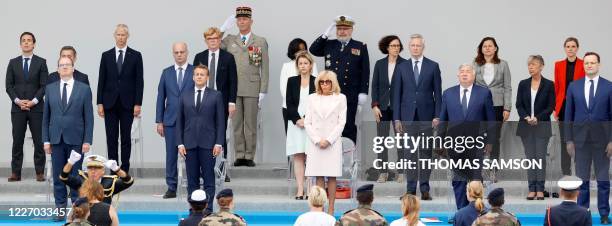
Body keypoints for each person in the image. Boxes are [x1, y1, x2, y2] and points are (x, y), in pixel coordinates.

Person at [564, 52, 612, 224]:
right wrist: (569, 140)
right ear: (583, 65)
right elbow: (568, 114)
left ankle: (604, 214)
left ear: (599, 65)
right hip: (580, 141)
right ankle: (583, 213)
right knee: (581, 180)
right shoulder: (574, 86)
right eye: (587, 63)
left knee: (603, 180)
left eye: (593, 63)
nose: (589, 65)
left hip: (603, 142)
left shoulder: (609, 86)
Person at [438, 64, 495, 210]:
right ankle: (461, 212)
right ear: (458, 75)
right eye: (462, 71)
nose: (464, 74)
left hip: (476, 143)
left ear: (474, 75)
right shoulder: (448, 93)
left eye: (468, 71)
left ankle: (476, 211)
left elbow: (491, 120)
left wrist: (490, 141)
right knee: (458, 180)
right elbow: (443, 120)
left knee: (475, 179)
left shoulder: (484, 93)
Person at [392, 34, 442, 200]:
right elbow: (396, 95)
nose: (415, 48)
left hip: (427, 117)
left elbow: (438, 94)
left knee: (426, 154)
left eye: (418, 45)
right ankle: (410, 189)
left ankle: (425, 188)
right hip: (408, 117)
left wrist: (437, 115)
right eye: (412, 45)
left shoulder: (433, 66)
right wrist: (397, 119)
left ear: (423, 47)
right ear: (409, 47)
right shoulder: (401, 67)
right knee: (410, 154)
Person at [43, 56, 94, 217]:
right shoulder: (50, 88)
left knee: (75, 177)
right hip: (56, 139)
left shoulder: (84, 89)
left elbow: (89, 117)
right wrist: (46, 140)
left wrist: (87, 140)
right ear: (57, 69)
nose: (64, 67)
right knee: (59, 176)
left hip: (77, 140)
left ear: (73, 68)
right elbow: (46, 117)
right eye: (61, 65)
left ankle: (78, 209)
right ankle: (60, 208)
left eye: (67, 65)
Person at [219, 6, 269, 167]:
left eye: (245, 19)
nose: (242, 22)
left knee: (250, 124)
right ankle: (239, 154)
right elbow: (214, 43)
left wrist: (263, 90)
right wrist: (222, 29)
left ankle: (249, 155)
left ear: (251, 21)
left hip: (252, 87)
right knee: (236, 123)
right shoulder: (229, 40)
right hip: (233, 89)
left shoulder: (259, 41)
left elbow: (264, 67)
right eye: (239, 19)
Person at [309, 15, 369, 144]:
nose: (342, 31)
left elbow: (365, 71)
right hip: (330, 93)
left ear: (351, 30)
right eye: (339, 28)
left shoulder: (359, 46)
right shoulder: (329, 44)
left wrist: (363, 92)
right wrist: (326, 34)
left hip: (350, 94)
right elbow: (313, 50)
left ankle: (349, 158)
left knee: (348, 126)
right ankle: (332, 157)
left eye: (345, 28)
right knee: (330, 125)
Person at [176, 64, 225, 214]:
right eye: (196, 74)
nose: (199, 77)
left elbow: (220, 121)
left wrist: (219, 142)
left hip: (209, 144)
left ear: (207, 77)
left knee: (209, 179)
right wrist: (179, 143)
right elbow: (180, 121)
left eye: (202, 74)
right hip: (189, 143)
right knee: (192, 180)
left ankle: (208, 209)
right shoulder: (184, 95)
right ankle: (194, 210)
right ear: (193, 77)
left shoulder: (216, 95)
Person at [97, 24, 144, 173]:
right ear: (114, 36)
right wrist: (99, 102)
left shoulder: (136, 55)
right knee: (111, 138)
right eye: (118, 34)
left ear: (127, 36)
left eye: (123, 35)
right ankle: (113, 169)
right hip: (109, 102)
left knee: (125, 138)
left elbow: (139, 81)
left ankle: (124, 169)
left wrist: (138, 103)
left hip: (128, 103)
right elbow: (101, 80)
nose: (121, 37)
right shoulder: (106, 55)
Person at [193, 27, 238, 173]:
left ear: (219, 40)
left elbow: (233, 81)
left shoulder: (228, 57)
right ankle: (203, 169)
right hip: (203, 101)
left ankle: (222, 170)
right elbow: (194, 80)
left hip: (221, 101)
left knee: (220, 133)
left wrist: (231, 103)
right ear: (206, 41)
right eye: (210, 39)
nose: (213, 41)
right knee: (202, 133)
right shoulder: (199, 57)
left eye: (215, 39)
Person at [5, 31, 48, 182]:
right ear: (20, 44)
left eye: (29, 40)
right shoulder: (13, 62)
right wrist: (18, 101)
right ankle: (16, 173)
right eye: (24, 40)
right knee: (17, 141)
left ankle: (40, 172)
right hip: (18, 109)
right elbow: (8, 86)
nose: (26, 42)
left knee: (39, 141)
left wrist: (33, 101)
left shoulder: (41, 62)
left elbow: (44, 86)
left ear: (34, 44)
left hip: (36, 108)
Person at [304, 71, 347, 215]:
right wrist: (317, 140)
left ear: (333, 83)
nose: (324, 85)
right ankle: (320, 208)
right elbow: (307, 122)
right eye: (321, 82)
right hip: (316, 141)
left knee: (332, 175)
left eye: (327, 82)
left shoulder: (341, 98)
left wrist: (329, 140)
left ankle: (331, 208)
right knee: (319, 176)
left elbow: (341, 122)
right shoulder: (311, 98)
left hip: (332, 142)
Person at [156, 42, 194, 199]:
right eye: (176, 52)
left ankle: (193, 187)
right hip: (170, 120)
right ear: (173, 53)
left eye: (182, 52)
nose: (179, 55)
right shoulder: (166, 73)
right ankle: (171, 187)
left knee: (191, 154)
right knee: (171, 155)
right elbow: (161, 97)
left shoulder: (194, 71)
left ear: (187, 52)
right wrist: (159, 121)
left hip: (191, 120)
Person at [515, 55, 555, 200]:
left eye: (534, 64)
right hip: (526, 126)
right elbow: (519, 105)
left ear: (542, 66)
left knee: (540, 157)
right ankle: (531, 188)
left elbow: (551, 106)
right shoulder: (523, 84)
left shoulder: (549, 84)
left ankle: (540, 188)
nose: (530, 67)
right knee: (530, 158)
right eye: (529, 65)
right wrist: (526, 117)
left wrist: (537, 118)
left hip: (542, 126)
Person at [371, 35, 407, 183]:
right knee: (382, 141)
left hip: (399, 108)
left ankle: (401, 172)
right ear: (387, 47)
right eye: (393, 46)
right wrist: (374, 106)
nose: (396, 48)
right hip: (382, 108)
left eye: (398, 46)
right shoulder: (379, 64)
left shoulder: (405, 64)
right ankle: (383, 172)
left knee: (401, 141)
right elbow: (375, 86)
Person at [473, 37, 512, 172]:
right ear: (481, 49)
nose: (488, 48)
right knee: (479, 136)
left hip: (497, 105)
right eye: (485, 46)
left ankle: (494, 170)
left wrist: (507, 107)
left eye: (490, 46)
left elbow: (507, 87)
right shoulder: (475, 64)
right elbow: (471, 86)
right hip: (479, 106)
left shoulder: (503, 64)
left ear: (495, 48)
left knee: (494, 137)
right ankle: (479, 169)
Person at [285, 51, 316, 200]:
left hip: (311, 124)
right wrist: (297, 119)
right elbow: (289, 104)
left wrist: (306, 120)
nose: (303, 66)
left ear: (311, 65)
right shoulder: (291, 81)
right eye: (300, 63)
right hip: (295, 124)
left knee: (311, 156)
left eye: (305, 63)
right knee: (298, 156)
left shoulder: (317, 81)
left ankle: (310, 189)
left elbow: (317, 104)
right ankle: (300, 189)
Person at [553, 37, 585, 176]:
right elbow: (557, 87)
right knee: (565, 140)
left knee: (579, 139)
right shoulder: (558, 65)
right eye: (568, 46)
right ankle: (566, 173)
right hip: (564, 106)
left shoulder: (584, 63)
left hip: (580, 106)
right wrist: (556, 108)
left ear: (577, 48)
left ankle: (580, 171)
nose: (570, 49)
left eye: (573, 46)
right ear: (564, 48)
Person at [60, 152, 134, 204]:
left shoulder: (109, 182)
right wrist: (70, 162)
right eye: (90, 168)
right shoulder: (81, 180)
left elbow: (129, 181)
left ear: (103, 171)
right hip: (85, 216)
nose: (93, 171)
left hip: (103, 217)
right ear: (87, 170)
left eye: (97, 168)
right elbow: (63, 177)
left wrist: (117, 169)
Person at [280, 38, 319, 133]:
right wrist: (296, 117)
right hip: (290, 109)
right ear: (292, 51)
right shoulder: (286, 66)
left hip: (310, 109)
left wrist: (306, 116)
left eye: (303, 49)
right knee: (293, 141)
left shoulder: (312, 64)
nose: (300, 52)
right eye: (298, 50)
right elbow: (284, 90)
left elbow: (316, 89)